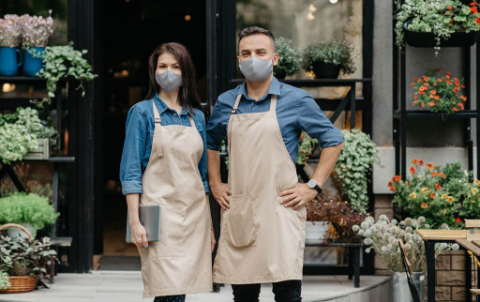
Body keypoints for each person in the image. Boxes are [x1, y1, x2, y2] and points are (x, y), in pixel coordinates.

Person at [206, 26, 344, 302]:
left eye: (260, 52)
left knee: (287, 293)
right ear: (238, 59)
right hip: (241, 208)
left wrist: (313, 186)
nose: (253, 58)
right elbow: (210, 142)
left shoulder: (295, 99)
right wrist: (214, 182)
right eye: (246, 53)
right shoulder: (226, 102)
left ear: (275, 58)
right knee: (243, 293)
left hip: (281, 208)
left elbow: (333, 140)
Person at [120, 42, 214, 302]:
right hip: (157, 215)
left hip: (194, 216)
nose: (169, 72)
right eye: (163, 66)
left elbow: (203, 177)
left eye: (175, 66)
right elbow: (130, 173)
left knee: (181, 290)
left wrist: (210, 227)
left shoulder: (197, 118)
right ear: (154, 72)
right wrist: (135, 221)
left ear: (186, 73)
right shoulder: (141, 113)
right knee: (166, 290)